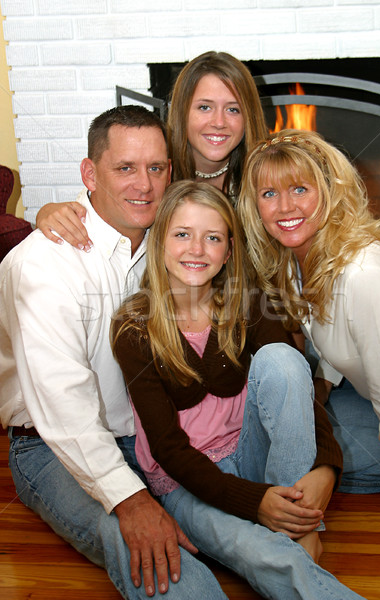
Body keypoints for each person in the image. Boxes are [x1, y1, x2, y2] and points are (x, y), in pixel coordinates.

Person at [0, 105, 229, 600]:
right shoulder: (43, 264)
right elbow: (63, 404)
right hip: (51, 446)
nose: (144, 186)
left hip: (148, 431)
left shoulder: (165, 246)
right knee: (143, 544)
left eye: (156, 168)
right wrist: (130, 500)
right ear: (90, 173)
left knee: (218, 523)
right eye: (125, 168)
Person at [110, 179, 366, 600]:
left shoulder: (246, 305)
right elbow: (168, 450)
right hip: (186, 484)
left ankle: (297, 523)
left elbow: (296, 389)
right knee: (261, 553)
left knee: (284, 360)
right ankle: (291, 540)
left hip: (252, 451)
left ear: (227, 252)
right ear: (159, 244)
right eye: (182, 234)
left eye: (212, 238)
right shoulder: (135, 329)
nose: (196, 249)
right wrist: (256, 503)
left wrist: (325, 466)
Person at [237, 128, 380, 528]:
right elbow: (340, 337)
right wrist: (321, 386)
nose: (285, 207)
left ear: (328, 190)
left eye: (300, 189)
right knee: (282, 436)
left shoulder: (364, 274)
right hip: (370, 400)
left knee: (300, 465)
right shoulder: (296, 258)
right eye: (269, 194)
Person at [34, 51, 267, 250]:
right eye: (204, 107)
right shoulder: (154, 170)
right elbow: (107, 199)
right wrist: (48, 211)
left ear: (249, 116)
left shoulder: (261, 179)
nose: (219, 122)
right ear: (182, 112)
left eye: (233, 110)